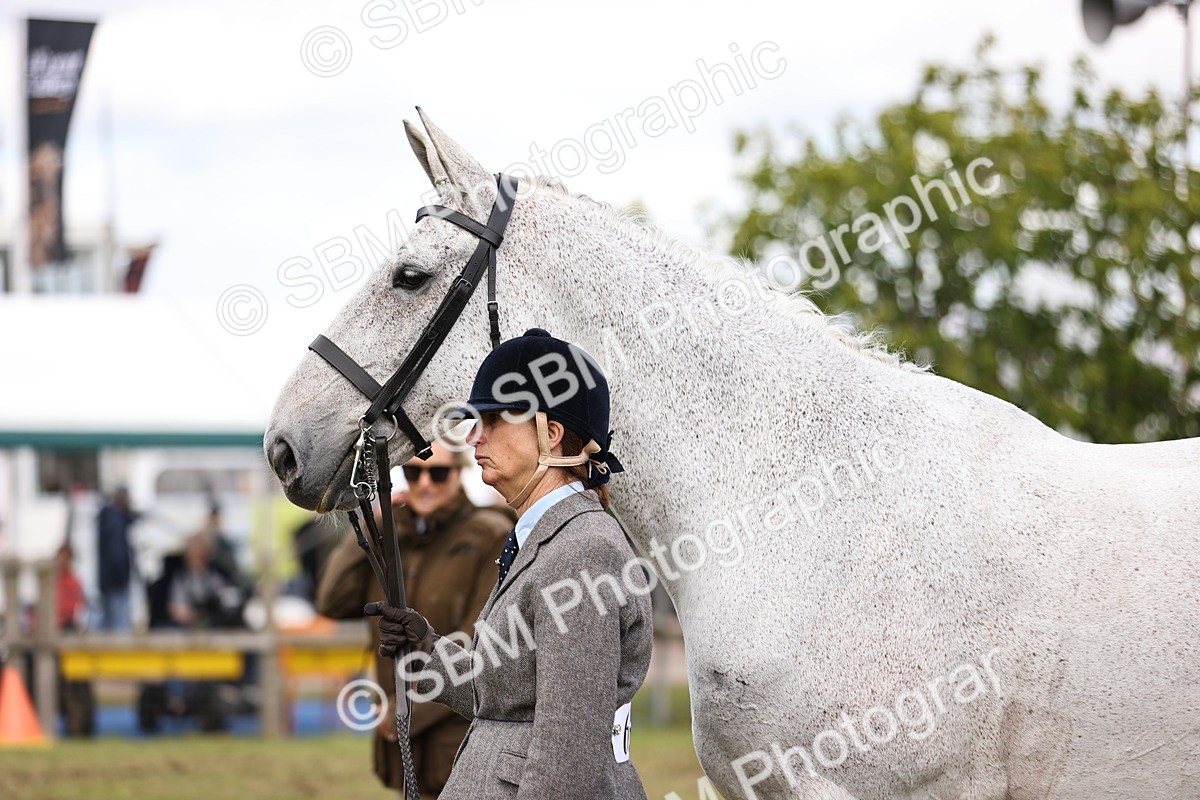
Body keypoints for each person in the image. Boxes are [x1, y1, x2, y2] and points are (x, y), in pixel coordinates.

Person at [367, 328, 654, 799]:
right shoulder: (550, 538)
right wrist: (428, 647)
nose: (473, 437)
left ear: (550, 435)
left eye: (494, 419)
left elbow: (567, 755)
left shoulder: (582, 551)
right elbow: (503, 697)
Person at [317, 439, 514, 797]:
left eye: (438, 473)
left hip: (455, 735)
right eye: (412, 472)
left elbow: (481, 640)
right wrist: (372, 524)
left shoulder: (490, 534)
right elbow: (332, 600)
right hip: (403, 738)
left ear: (460, 474)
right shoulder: (396, 534)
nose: (424, 483)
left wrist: (408, 711)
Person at [95, 487, 138, 632]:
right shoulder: (115, 523)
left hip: (109, 582)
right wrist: (121, 577)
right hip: (116, 582)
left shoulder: (111, 519)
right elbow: (117, 554)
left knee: (109, 625)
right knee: (120, 628)